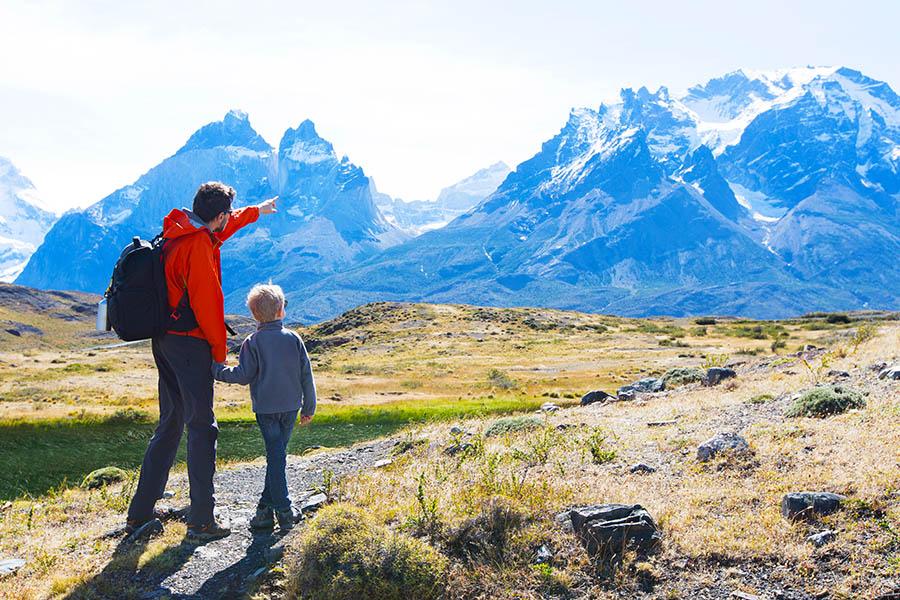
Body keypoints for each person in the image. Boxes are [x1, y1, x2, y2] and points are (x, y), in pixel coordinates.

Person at [126, 182, 277, 541]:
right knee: (202, 427)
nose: (228, 219)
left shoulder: (178, 232)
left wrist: (256, 212)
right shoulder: (197, 245)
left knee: (171, 422)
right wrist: (219, 356)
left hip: (164, 339)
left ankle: (140, 514)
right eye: (227, 214)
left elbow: (225, 227)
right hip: (189, 344)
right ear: (218, 215)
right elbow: (209, 305)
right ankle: (201, 520)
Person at [211, 283, 317, 531]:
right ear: (281, 310)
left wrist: (216, 370)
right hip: (291, 408)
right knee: (278, 456)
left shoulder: (252, 342)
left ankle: (276, 511)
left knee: (276, 456)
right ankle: (272, 512)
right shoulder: (294, 339)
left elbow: (243, 375)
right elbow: (306, 375)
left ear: (254, 314)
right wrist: (309, 407)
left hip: (266, 410)